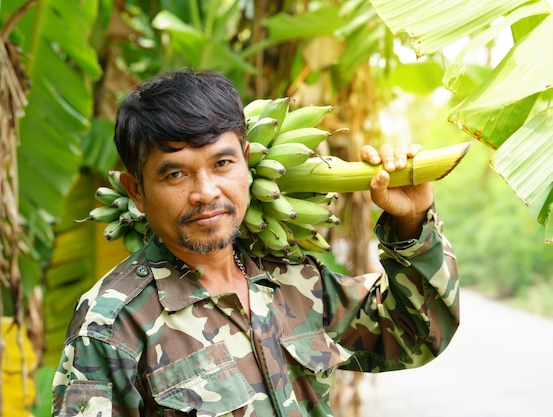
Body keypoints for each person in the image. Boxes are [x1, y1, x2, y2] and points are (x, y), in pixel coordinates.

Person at [51, 68, 459, 417]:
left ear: (247, 160)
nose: (206, 192)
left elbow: (417, 333)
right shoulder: (110, 326)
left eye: (222, 163)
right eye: (175, 175)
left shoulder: (293, 280)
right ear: (136, 191)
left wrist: (410, 219)